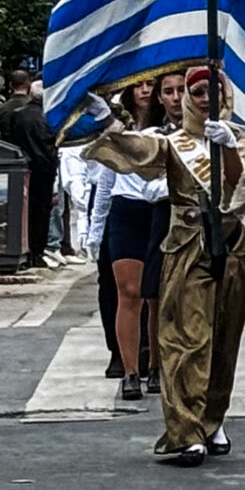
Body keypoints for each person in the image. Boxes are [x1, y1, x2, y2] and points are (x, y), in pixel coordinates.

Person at [84, 64, 245, 467]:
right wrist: (103, 116)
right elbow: (135, 152)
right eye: (196, 93)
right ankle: (185, 430)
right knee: (186, 339)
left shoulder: (240, 139)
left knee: (223, 339)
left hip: (232, 249)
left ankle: (212, 420)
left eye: (210, 93)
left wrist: (227, 148)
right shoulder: (172, 142)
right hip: (186, 248)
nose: (203, 101)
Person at [97, 80, 168, 401]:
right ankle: (130, 371)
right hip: (125, 209)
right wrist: (94, 228)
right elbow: (106, 178)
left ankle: (155, 364)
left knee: (156, 295)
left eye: (150, 84)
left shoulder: (169, 128)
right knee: (129, 292)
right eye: (137, 84)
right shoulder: (117, 127)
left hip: (158, 209)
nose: (143, 90)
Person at [0, 70, 61, 269]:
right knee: (42, 212)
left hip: (22, 167)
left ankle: (24, 249)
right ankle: (37, 251)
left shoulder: (13, 114)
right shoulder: (50, 117)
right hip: (45, 170)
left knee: (23, 211)